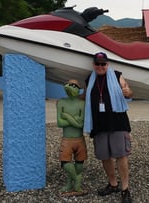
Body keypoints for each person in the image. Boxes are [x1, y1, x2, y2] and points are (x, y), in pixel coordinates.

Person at [83, 52, 133, 203]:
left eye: (103, 64)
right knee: (104, 156)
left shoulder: (117, 76)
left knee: (121, 155)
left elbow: (129, 92)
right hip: (98, 124)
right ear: (93, 65)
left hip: (118, 122)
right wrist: (69, 98)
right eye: (97, 64)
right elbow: (85, 96)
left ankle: (125, 189)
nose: (100, 66)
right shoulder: (89, 80)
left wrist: (127, 92)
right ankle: (113, 184)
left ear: (108, 64)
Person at [56, 79, 87, 196]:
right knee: (65, 162)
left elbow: (81, 124)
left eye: (73, 85)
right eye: (68, 84)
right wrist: (75, 120)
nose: (69, 86)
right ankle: (77, 180)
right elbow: (59, 123)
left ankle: (71, 183)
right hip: (66, 139)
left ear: (79, 89)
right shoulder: (61, 102)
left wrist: (67, 117)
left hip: (79, 139)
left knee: (79, 162)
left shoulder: (82, 104)